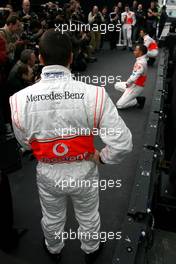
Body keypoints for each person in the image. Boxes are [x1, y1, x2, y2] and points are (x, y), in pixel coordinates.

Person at [10, 29, 132, 264]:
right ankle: (91, 249)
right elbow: (123, 143)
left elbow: (24, 142)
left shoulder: (18, 100)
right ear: (71, 57)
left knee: (52, 216)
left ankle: (54, 249)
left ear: (41, 58)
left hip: (47, 172)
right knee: (87, 214)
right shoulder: (95, 94)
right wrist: (102, 157)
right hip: (84, 169)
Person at [115, 44, 148, 109]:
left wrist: (127, 84)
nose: (134, 51)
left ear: (140, 52)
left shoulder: (140, 63)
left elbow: (133, 78)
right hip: (133, 85)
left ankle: (137, 100)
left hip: (136, 87)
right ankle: (129, 96)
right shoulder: (142, 59)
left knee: (119, 105)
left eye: (136, 50)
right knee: (116, 85)